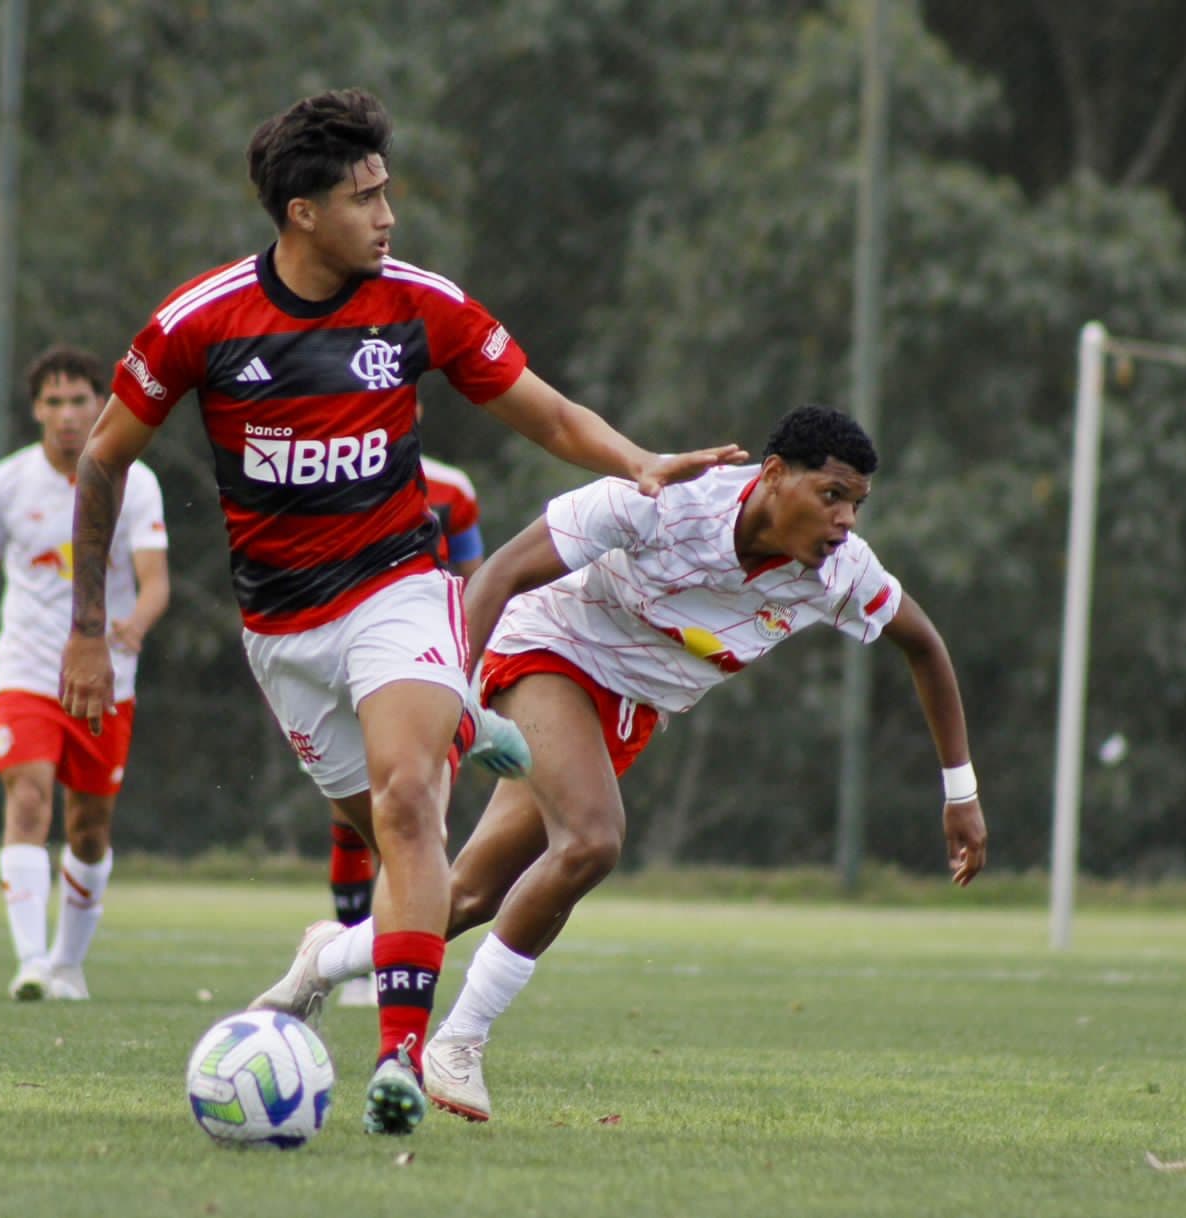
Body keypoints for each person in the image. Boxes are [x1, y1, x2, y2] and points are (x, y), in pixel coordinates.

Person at [57, 88, 743, 1135]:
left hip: (399, 590)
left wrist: (641, 461)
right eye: (364, 197)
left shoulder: (417, 303)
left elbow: (547, 412)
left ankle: (399, 1056)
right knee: (368, 822)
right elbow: (102, 459)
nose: (387, 216)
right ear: (300, 213)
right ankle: (464, 722)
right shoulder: (199, 323)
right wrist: (85, 630)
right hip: (280, 634)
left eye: (388, 193)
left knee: (410, 803)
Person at [255, 405, 990, 1123]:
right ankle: (458, 1044)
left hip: (626, 713)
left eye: (857, 505)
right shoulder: (664, 504)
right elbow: (501, 572)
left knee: (469, 896)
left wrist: (961, 792)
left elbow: (924, 645)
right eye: (832, 496)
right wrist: (450, 704)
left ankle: (324, 960)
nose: (846, 522)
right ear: (772, 476)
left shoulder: (840, 573)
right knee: (592, 840)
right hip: (546, 651)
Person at [0, 344, 170, 1002]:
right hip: (26, 673)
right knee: (28, 799)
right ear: (35, 409)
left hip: (106, 682)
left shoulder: (133, 481)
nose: (66, 415)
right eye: (52, 401)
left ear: (101, 405)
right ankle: (30, 963)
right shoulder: (5, 484)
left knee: (88, 828)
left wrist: (135, 625)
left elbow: (155, 580)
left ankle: (66, 964)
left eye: (79, 400)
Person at [330, 442, 487, 1009]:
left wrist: (471, 669)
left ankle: (382, 972)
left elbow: (475, 580)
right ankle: (354, 963)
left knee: (415, 813)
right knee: (359, 813)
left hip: (424, 653)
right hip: (352, 642)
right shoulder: (337, 465)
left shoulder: (454, 488)